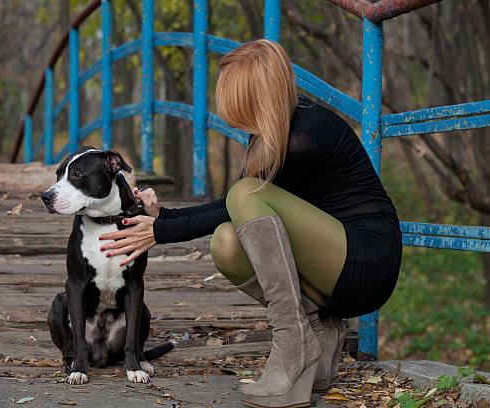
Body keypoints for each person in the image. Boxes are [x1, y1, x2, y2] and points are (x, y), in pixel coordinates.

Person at [98, 39, 402, 408]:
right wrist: (163, 217)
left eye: (230, 96)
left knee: (243, 195)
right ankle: (317, 336)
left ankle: (294, 344)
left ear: (252, 94)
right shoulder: (272, 132)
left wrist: (161, 232)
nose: (224, 107)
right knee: (226, 242)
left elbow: (242, 198)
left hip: (366, 260)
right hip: (333, 262)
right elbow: (234, 206)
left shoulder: (304, 136)